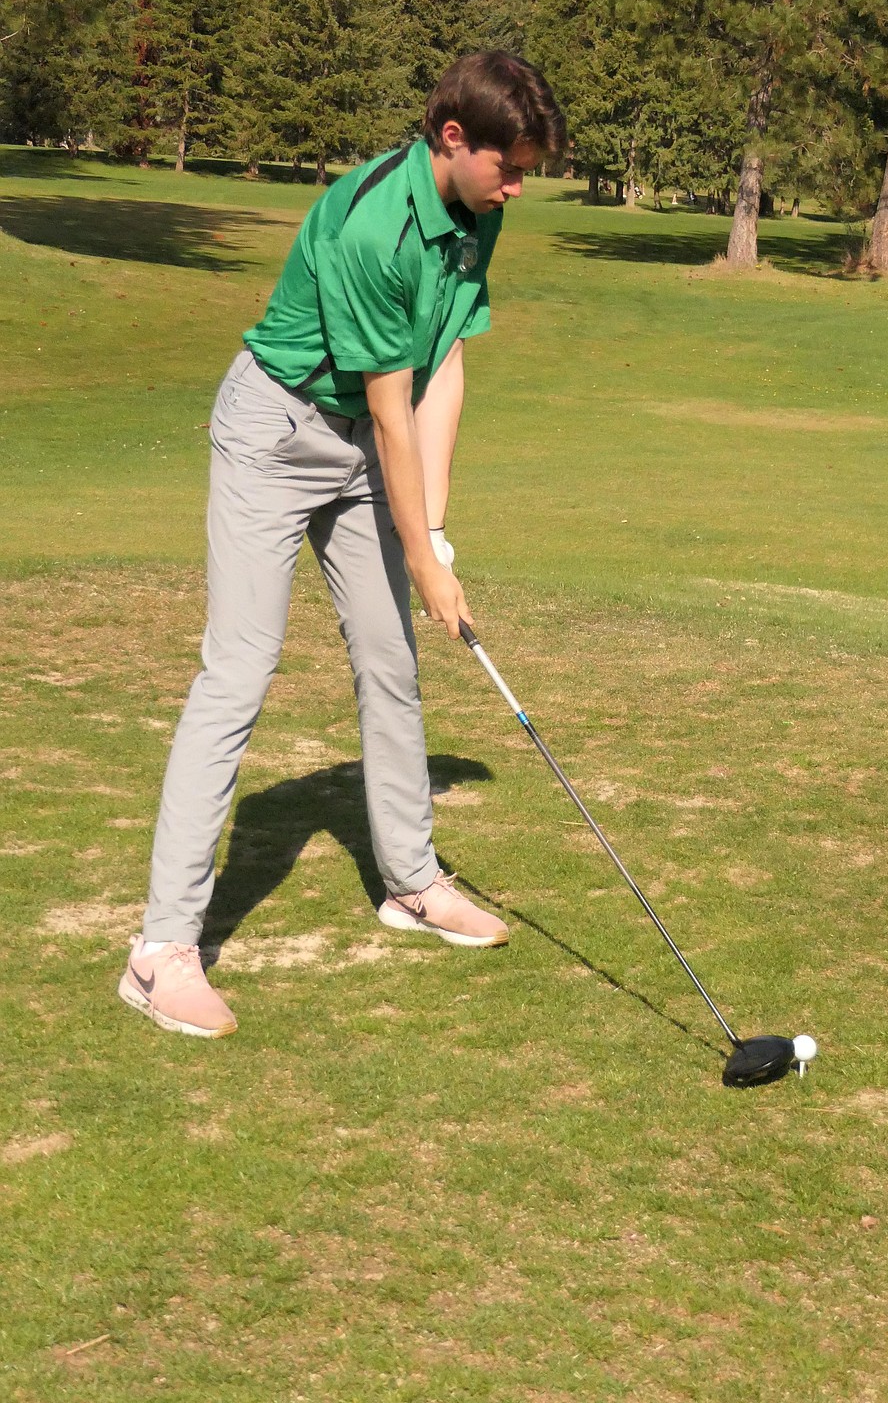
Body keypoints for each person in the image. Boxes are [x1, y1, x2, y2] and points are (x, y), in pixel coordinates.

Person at [119, 51, 566, 1038]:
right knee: (237, 671)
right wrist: (419, 557)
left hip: (365, 444)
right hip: (274, 432)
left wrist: (434, 534)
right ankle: (161, 954)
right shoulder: (373, 222)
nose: (520, 186)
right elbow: (390, 408)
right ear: (455, 139)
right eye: (511, 165)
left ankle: (409, 883)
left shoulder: (477, 214)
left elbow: (444, 360)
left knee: (392, 658)